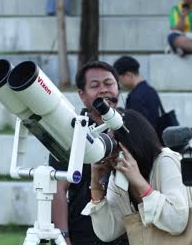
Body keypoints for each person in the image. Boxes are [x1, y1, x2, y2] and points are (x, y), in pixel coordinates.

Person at [82, 109, 192, 244]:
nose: (113, 153)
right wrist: (96, 185)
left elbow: (177, 223)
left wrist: (138, 181)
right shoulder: (119, 176)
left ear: (134, 142)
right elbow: (107, 233)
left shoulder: (165, 161)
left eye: (116, 144)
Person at [49, 61, 128, 244]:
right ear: (82, 95)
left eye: (109, 84)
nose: (103, 90)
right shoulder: (70, 132)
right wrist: (63, 237)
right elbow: (59, 189)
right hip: (86, 231)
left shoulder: (133, 125)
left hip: (129, 230)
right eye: (95, 86)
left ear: (118, 87)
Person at [113, 56, 160, 134]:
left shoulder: (135, 96)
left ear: (128, 75)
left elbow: (135, 127)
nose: (120, 83)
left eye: (119, 79)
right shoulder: (151, 90)